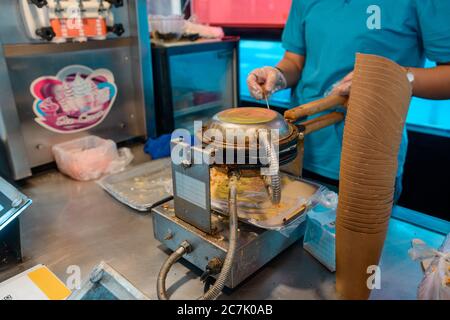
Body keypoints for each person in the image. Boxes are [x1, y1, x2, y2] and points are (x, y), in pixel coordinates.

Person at [247, 0, 450, 201]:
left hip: (371, 155)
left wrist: (390, 76)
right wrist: (277, 74)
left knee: (359, 232)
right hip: (298, 149)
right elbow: (294, 61)